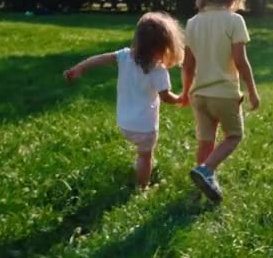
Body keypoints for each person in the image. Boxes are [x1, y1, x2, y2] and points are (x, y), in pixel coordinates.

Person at [64, 12, 184, 189]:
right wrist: (181, 99)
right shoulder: (158, 71)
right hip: (145, 127)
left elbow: (100, 59)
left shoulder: (124, 56)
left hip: (124, 123)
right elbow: (166, 97)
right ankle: (142, 187)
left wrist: (80, 68)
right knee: (145, 156)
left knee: (142, 153)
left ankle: (139, 167)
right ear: (165, 45)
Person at [179, 0, 260, 203]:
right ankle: (207, 171)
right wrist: (253, 92)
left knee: (206, 141)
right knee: (234, 136)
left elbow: (187, 65)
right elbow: (241, 62)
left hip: (199, 95)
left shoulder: (193, 23)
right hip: (224, 94)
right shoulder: (234, 21)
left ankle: (200, 184)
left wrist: (185, 93)